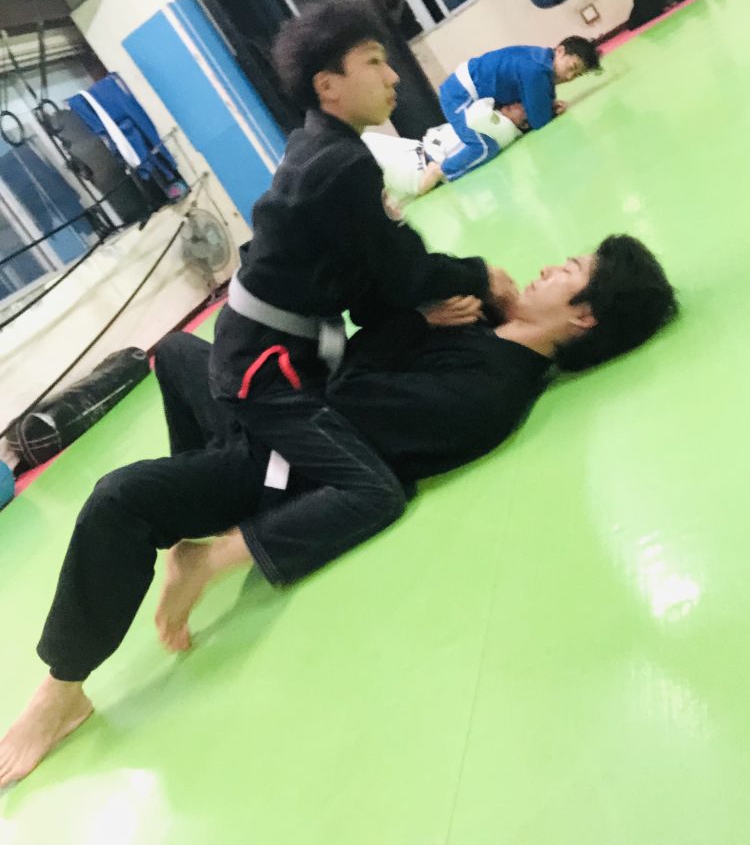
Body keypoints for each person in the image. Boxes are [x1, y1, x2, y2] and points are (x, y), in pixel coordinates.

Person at [0, 234, 678, 785]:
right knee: (177, 352)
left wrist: (413, 324)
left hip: (289, 458)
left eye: (568, 270)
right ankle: (200, 513)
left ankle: (64, 690)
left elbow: (347, 402)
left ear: (584, 316)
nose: (548, 267)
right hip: (282, 416)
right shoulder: (482, 327)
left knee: (119, 499)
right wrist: (424, 307)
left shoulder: (487, 393)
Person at [208, 0, 517, 588]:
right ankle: (215, 556)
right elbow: (406, 273)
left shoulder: (318, 145)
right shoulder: (342, 164)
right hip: (265, 368)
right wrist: (482, 276)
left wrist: (422, 313)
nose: (391, 76)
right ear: (328, 86)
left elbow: (375, 279)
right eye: (374, 62)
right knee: (376, 490)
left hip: (263, 343)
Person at [439, 36, 602, 181]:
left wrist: (548, 106)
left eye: (576, 75)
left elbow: (540, 102)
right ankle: (442, 171)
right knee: (485, 148)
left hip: (465, 90)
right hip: (458, 95)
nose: (569, 77)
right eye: (572, 68)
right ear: (560, 51)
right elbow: (539, 121)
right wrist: (550, 111)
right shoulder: (537, 70)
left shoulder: (540, 60)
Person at [363, 101, 529, 210]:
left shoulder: (503, 128)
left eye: (523, 107)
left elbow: (480, 108)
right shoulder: (497, 122)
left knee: (364, 142)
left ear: (524, 123)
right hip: (418, 154)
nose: (516, 104)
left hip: (421, 165)